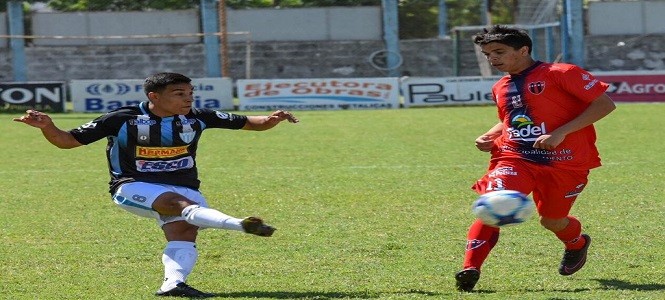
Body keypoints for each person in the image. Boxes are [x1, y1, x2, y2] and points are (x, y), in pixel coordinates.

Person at [13, 72, 299, 298]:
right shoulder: (121, 119)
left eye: (190, 93)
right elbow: (69, 141)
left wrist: (273, 119)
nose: (187, 99)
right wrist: (48, 127)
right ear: (154, 96)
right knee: (180, 205)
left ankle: (173, 285)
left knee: (184, 233)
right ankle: (241, 224)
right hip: (131, 186)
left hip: (186, 186)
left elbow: (252, 123)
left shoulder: (197, 117)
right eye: (179, 94)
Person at [455, 25, 616, 292]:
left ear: (524, 50)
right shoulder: (501, 86)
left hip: (565, 160)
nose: (492, 58)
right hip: (515, 157)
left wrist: (561, 132)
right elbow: (510, 122)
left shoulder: (562, 73)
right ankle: (470, 269)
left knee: (552, 220)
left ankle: (576, 243)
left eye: (498, 52)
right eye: (487, 54)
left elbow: (604, 104)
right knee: (493, 204)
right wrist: (490, 136)